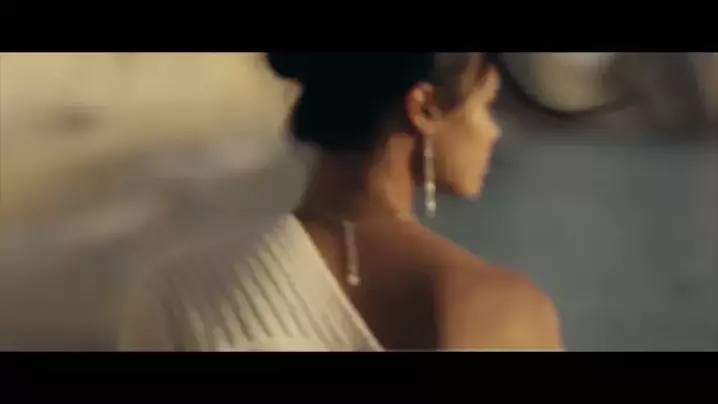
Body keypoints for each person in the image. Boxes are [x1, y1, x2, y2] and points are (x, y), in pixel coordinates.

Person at [119, 52, 563, 351]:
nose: (494, 131)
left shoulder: (177, 294)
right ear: (423, 108)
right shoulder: (508, 310)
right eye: (486, 105)